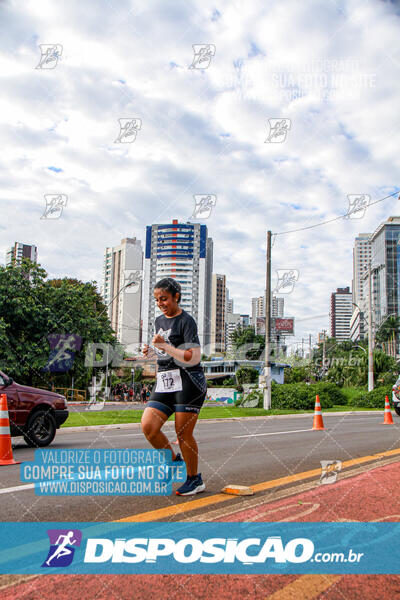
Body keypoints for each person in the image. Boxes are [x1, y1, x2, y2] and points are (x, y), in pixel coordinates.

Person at [141, 277, 207, 495]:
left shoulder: (187, 321)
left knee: (182, 433)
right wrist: (151, 352)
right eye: (157, 300)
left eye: (164, 299)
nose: (160, 303)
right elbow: (164, 352)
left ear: (176, 297)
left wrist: (165, 346)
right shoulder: (159, 321)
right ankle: (172, 461)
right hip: (165, 379)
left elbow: (192, 357)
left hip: (189, 380)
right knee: (149, 426)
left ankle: (194, 479)